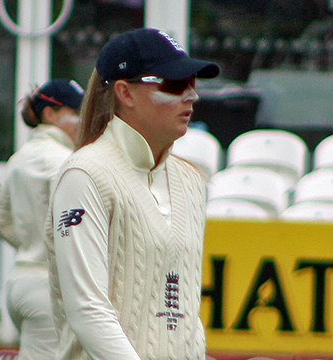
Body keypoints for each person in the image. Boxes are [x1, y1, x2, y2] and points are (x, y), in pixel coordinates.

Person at [45, 28, 220, 359]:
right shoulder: (85, 174)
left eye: (193, 83)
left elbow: (185, 309)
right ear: (125, 92)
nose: (191, 96)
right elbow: (88, 308)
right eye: (174, 83)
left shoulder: (191, 180)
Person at [0, 79, 85, 359]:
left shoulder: (19, 158)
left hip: (21, 283)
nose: (82, 121)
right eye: (75, 112)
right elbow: (75, 226)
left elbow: (1, 221)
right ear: (50, 114)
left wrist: (31, 245)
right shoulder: (65, 161)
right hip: (49, 291)